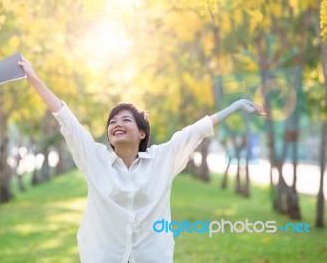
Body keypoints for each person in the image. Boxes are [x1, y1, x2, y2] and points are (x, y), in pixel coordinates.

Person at [18, 58, 264, 263]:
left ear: (142, 132)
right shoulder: (94, 159)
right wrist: (33, 79)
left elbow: (196, 130)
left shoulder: (161, 160)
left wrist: (236, 106)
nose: (116, 125)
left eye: (125, 120)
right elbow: (65, 117)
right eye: (112, 122)